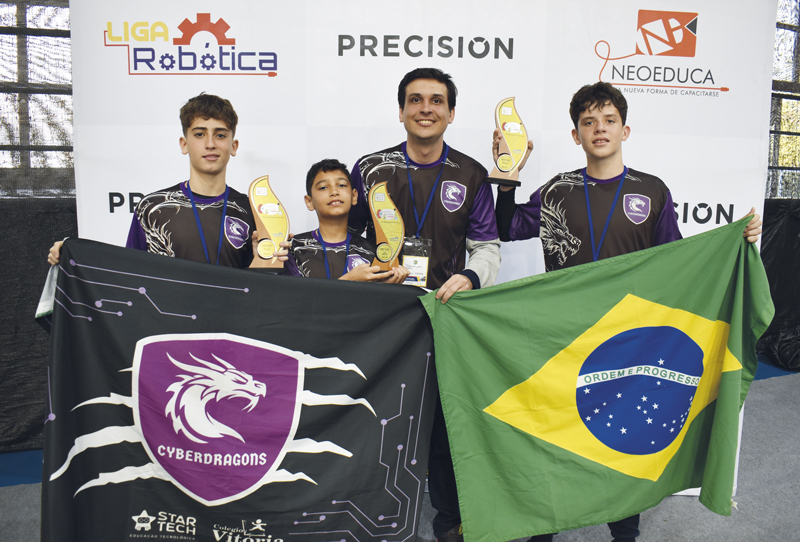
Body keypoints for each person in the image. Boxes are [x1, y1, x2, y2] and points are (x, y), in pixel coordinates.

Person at [494, 81, 762, 542]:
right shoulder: (557, 190)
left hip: (631, 341)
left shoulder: (651, 191)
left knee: (625, 440)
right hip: (566, 336)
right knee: (554, 436)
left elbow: (678, 260)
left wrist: (731, 243)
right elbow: (507, 226)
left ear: (625, 130)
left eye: (609, 120)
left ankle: (625, 532)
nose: (599, 128)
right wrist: (507, 174)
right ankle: (544, 530)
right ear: (576, 135)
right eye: (588, 122)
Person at [347, 68, 501, 542]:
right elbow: (346, 239)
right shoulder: (369, 169)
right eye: (415, 100)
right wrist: (361, 269)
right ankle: (367, 516)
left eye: (437, 100)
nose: (426, 108)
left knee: (444, 427)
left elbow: (486, 247)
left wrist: (470, 276)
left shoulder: (471, 174)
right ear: (401, 111)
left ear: (451, 113)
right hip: (382, 317)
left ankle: (449, 523)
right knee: (375, 419)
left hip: (443, 315)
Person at [48, 93, 286, 268]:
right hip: (169, 321)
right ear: (184, 144)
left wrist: (266, 259)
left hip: (231, 321)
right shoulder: (152, 207)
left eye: (220, 135)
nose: (210, 144)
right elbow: (127, 271)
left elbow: (260, 288)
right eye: (199, 134)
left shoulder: (252, 211)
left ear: (233, 146)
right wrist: (74, 254)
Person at [286, 158, 408, 282]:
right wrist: (350, 281)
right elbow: (293, 294)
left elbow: (375, 294)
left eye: (341, 185)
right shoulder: (292, 248)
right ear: (309, 202)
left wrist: (388, 286)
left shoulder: (373, 252)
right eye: (323, 187)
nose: (334, 192)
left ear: (354, 196)